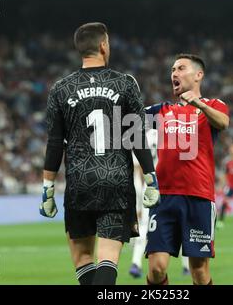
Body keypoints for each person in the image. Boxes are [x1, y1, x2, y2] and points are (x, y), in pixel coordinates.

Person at [39, 22, 160, 285]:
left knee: (83, 259)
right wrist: (151, 177)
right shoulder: (125, 83)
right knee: (108, 259)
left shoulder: (61, 88)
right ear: (103, 46)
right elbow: (137, 135)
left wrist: (48, 189)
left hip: (80, 182)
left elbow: (55, 143)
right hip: (116, 180)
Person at [144, 54, 229, 285]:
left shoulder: (213, 105)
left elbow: (223, 122)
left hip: (198, 197)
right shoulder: (161, 110)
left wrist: (197, 103)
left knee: (199, 272)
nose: (174, 73)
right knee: (157, 269)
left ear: (198, 75)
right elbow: (125, 122)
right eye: (172, 70)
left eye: (181, 68)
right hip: (164, 198)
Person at [129, 129, 190, 279]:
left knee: (144, 226)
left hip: (150, 187)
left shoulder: (141, 136)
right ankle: (186, 266)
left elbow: (138, 170)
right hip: (171, 186)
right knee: (181, 224)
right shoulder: (172, 134)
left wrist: (138, 200)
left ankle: (136, 263)